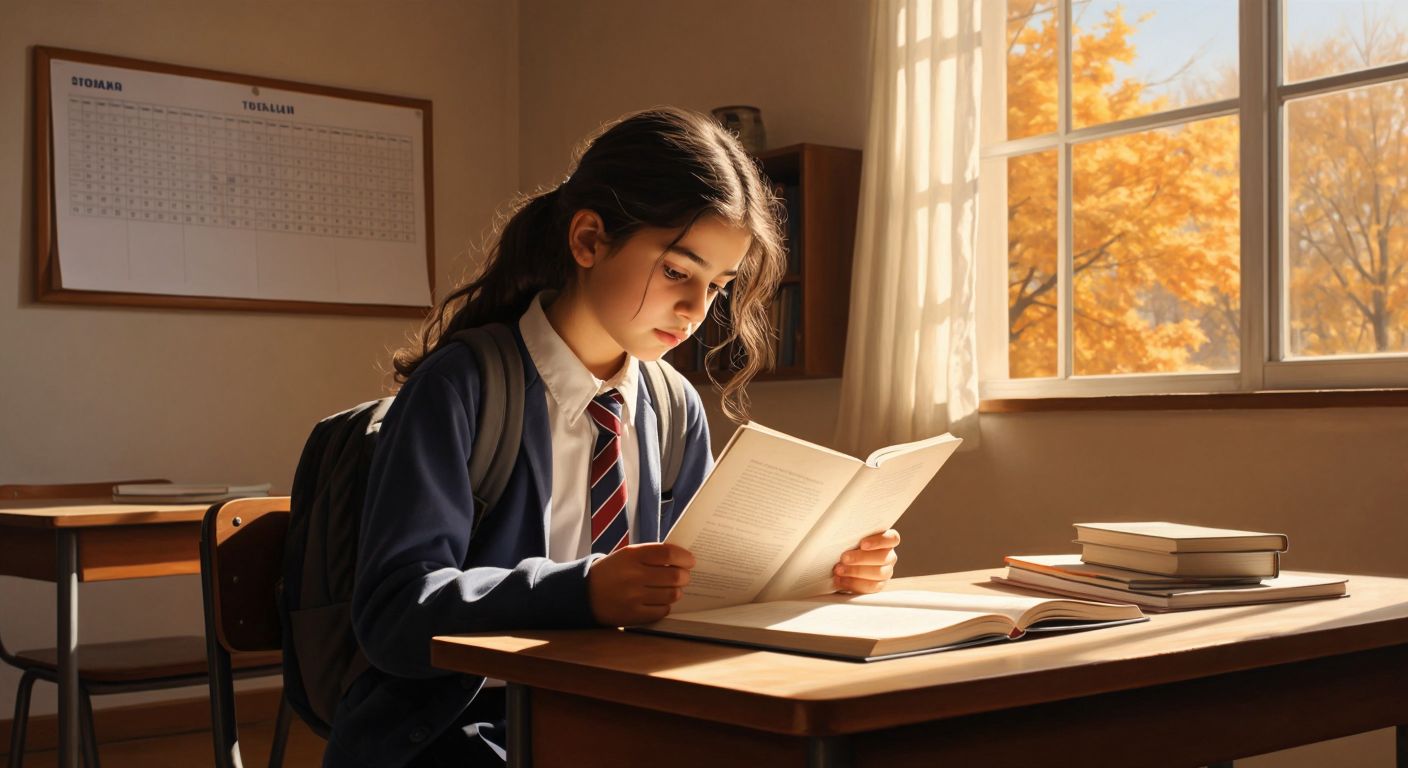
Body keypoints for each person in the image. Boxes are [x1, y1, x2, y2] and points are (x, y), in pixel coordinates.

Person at [323, 107, 902, 768]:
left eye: (716, 287)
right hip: (458, 730)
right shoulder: (462, 388)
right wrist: (583, 590)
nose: (695, 310)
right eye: (678, 271)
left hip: (612, 715)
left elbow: (700, 588)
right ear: (589, 239)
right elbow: (395, 615)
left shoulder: (672, 404)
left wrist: (823, 571)